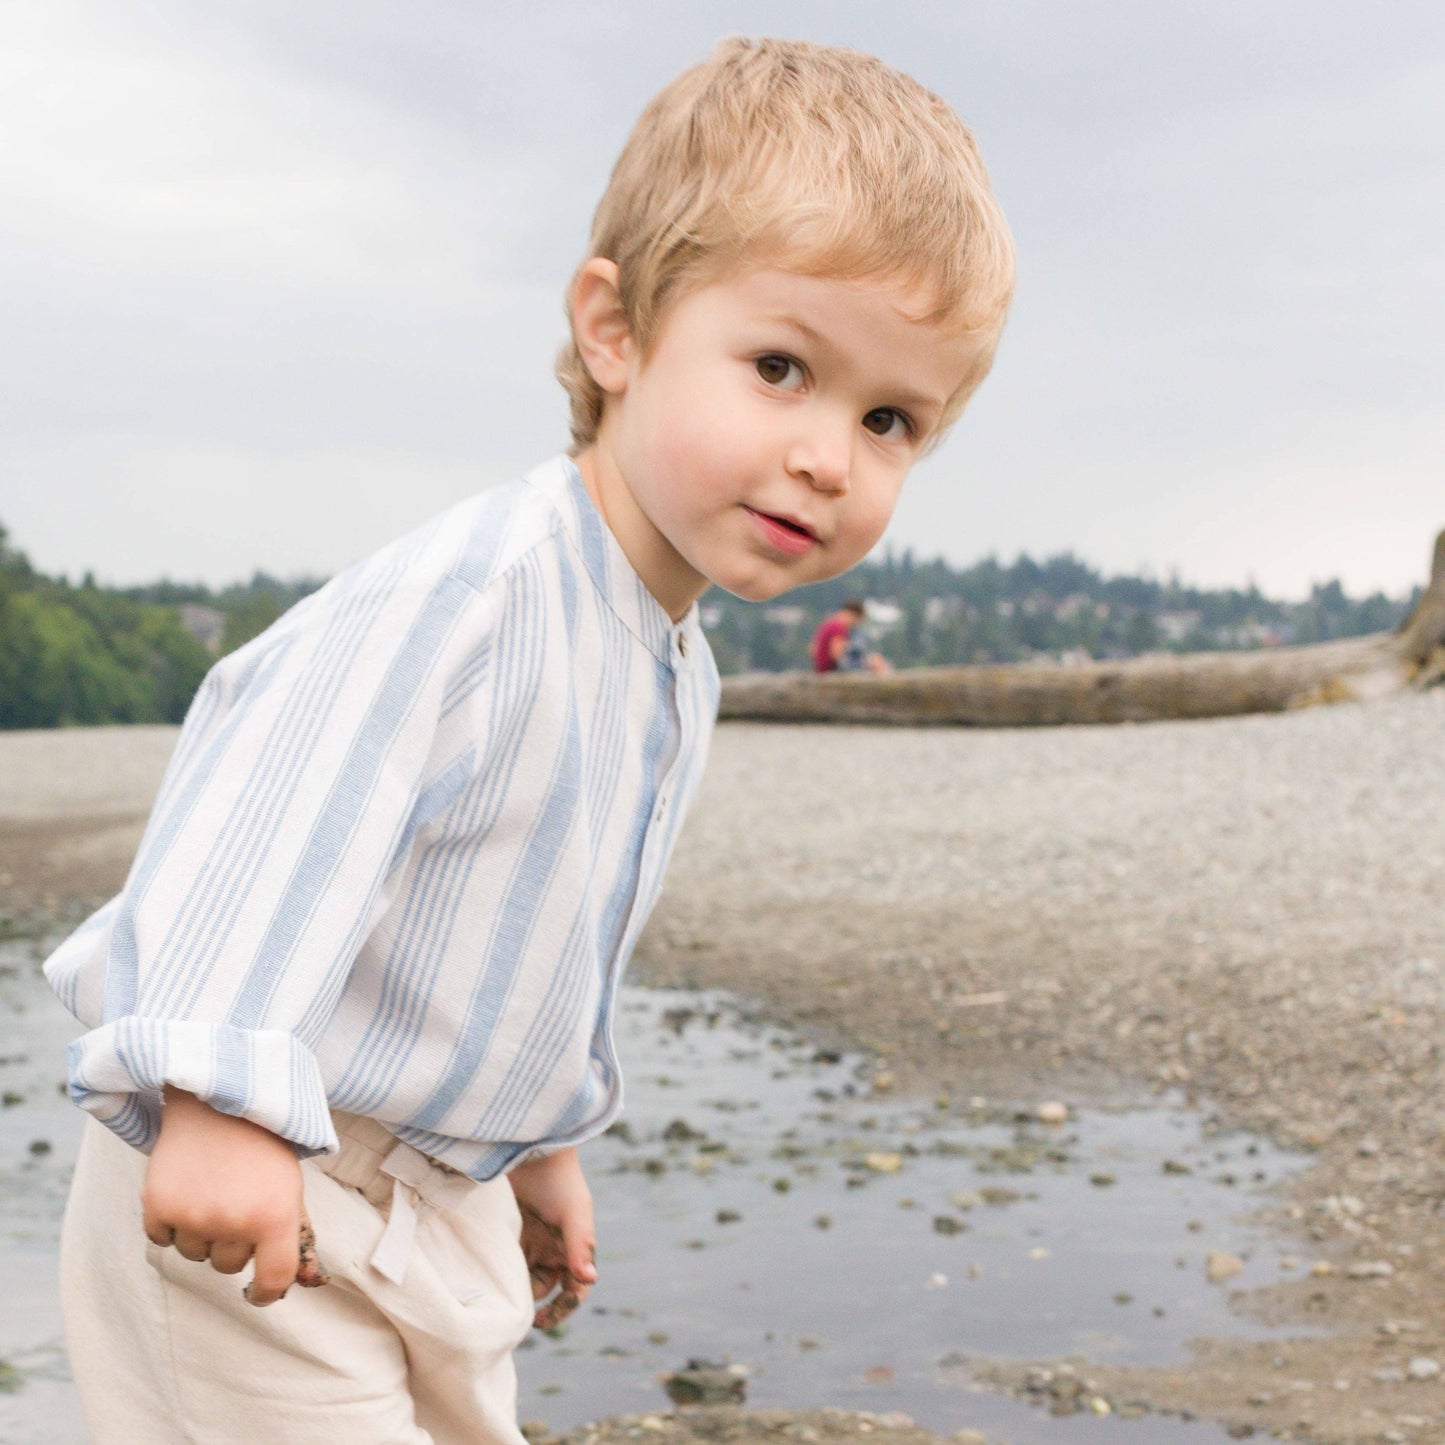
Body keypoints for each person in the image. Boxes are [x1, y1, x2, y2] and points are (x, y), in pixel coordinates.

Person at [44, 35, 1014, 1445]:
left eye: (888, 419)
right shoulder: (474, 598)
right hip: (258, 1172)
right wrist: (206, 1097)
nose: (829, 455)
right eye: (780, 367)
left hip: (427, 1198)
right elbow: (264, 813)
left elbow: (521, 930)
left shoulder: (670, 663)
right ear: (615, 333)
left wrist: (534, 1143)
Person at [812, 598, 891, 674]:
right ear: (852, 615)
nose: (855, 624)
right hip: (831, 671)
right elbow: (836, 654)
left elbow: (812, 649)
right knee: (876, 663)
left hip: (822, 669)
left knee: (874, 661)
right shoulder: (838, 626)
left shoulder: (829, 623)